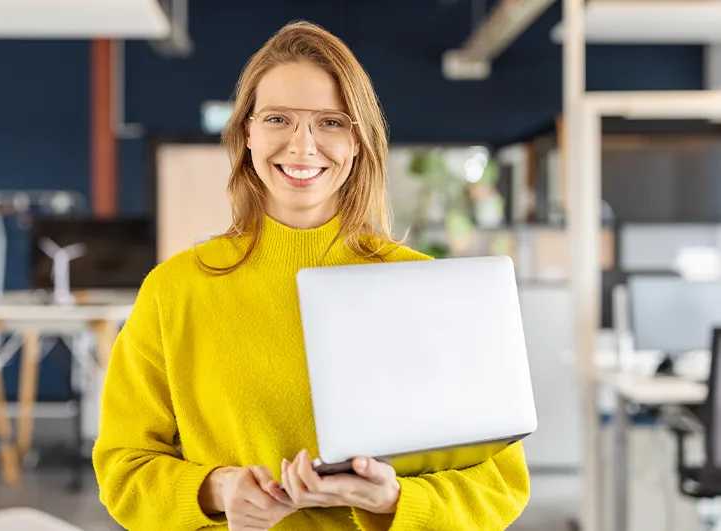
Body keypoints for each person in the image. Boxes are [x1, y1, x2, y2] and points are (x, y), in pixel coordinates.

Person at [93, 20, 530, 531]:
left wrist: (394, 500)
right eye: (279, 118)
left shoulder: (426, 286)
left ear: (359, 140)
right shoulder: (175, 290)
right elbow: (123, 469)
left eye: (331, 122)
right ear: (246, 133)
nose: (302, 147)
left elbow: (500, 484)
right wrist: (218, 490)